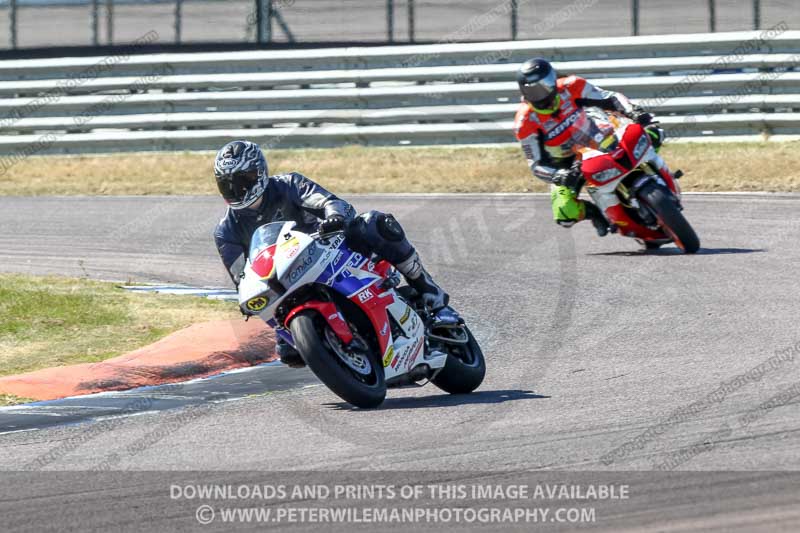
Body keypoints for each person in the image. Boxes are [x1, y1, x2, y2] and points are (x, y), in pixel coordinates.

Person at [212, 140, 449, 367]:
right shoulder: (226, 231)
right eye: (228, 184)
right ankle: (334, 349)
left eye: (243, 180)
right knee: (290, 352)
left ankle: (430, 292)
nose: (237, 190)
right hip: (284, 282)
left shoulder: (289, 184)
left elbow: (332, 202)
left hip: (327, 250)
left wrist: (334, 217)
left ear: (260, 173)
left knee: (374, 223)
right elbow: (242, 279)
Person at [514, 58, 667, 235]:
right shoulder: (525, 122)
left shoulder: (572, 85)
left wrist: (635, 111)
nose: (542, 93)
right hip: (568, 164)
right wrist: (559, 175)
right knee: (565, 213)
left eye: (546, 84)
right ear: (524, 90)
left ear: (553, 78)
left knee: (654, 133)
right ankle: (596, 214)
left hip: (598, 137)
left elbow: (610, 98)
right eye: (533, 89)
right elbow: (536, 164)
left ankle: (658, 173)